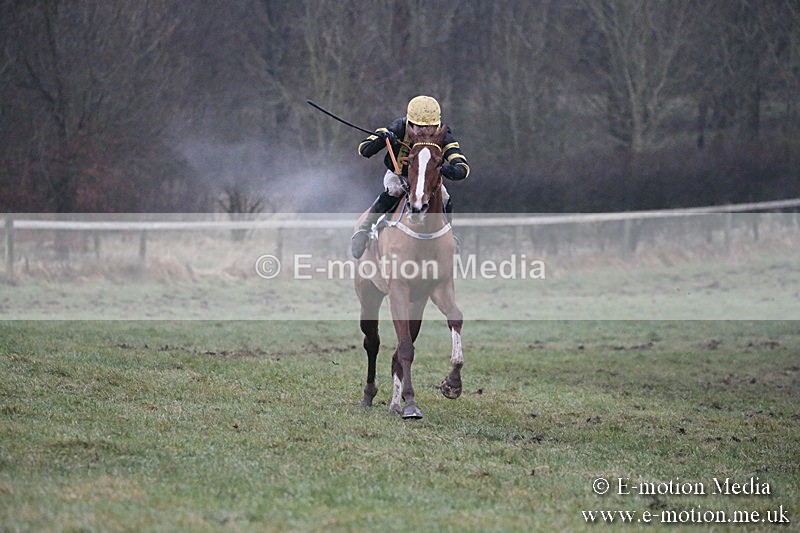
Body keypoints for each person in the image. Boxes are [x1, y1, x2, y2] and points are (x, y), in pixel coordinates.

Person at [350, 95, 470, 258]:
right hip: (400, 175)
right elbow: (364, 149)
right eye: (419, 127)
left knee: (444, 196)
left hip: (427, 180)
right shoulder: (398, 127)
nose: (425, 131)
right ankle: (365, 228)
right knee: (394, 190)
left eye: (430, 127)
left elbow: (461, 165)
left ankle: (449, 235)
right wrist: (383, 138)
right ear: (410, 122)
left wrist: (448, 169)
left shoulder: (442, 134)